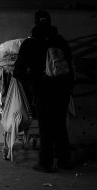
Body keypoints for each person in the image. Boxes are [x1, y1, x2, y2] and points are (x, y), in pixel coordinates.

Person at [13, 10, 74, 172]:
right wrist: (67, 88)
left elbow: (17, 71)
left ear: (35, 23)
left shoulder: (30, 44)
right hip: (62, 91)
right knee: (60, 126)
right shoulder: (60, 41)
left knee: (45, 127)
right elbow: (70, 67)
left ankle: (45, 163)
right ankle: (64, 161)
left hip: (42, 91)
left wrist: (32, 84)